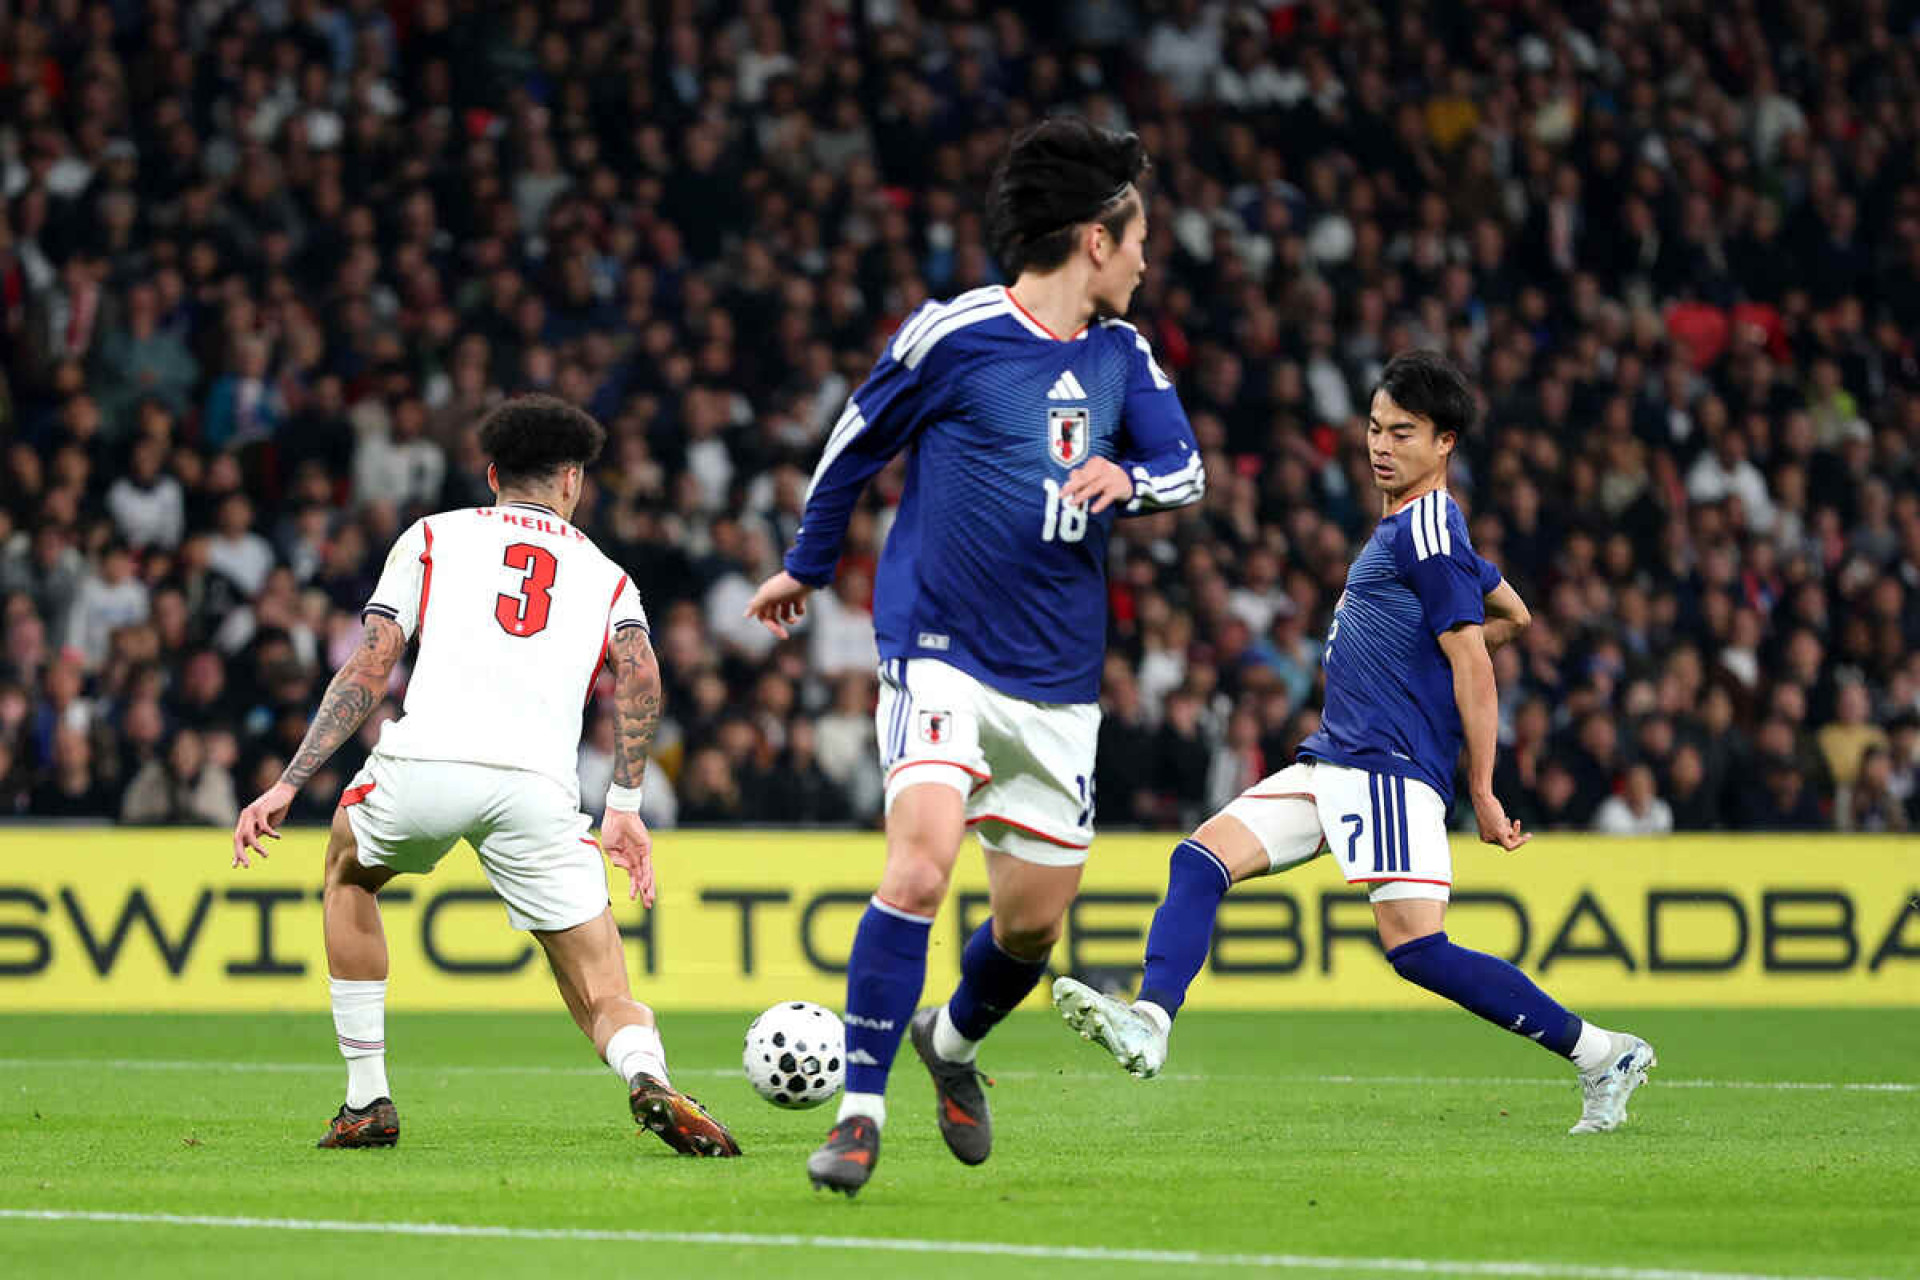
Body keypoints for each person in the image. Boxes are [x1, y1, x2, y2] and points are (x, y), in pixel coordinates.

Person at [745, 117, 1206, 1195]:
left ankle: (948, 1044)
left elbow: (1185, 469)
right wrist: (807, 565)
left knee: (1032, 925)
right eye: (1139, 236)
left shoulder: (1123, 356)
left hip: (1057, 678)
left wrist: (1127, 481)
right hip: (939, 647)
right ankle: (859, 1118)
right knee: (918, 863)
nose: (1148, 255)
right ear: (1096, 238)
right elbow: (853, 441)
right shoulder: (953, 334)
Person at [1052, 350, 1657, 1136]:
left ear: (1444, 442)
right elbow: (1515, 616)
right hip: (1335, 756)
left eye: (1403, 433)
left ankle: (1601, 1052)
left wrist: (1480, 785)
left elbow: (1476, 654)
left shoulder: (1431, 525)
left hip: (1388, 768)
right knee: (1198, 860)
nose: (1380, 445)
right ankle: (1151, 1023)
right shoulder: (1417, 530)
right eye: (1374, 427)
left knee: (1416, 950)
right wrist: (1445, 652)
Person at [231, 395, 739, 1157]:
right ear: (572, 481)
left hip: (427, 765)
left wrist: (288, 783)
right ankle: (648, 1073)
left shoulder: (433, 537)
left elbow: (372, 665)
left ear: (494, 472)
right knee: (602, 987)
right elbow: (640, 675)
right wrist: (625, 804)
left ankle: (367, 1098)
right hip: (538, 788)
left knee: (347, 870)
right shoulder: (607, 576)